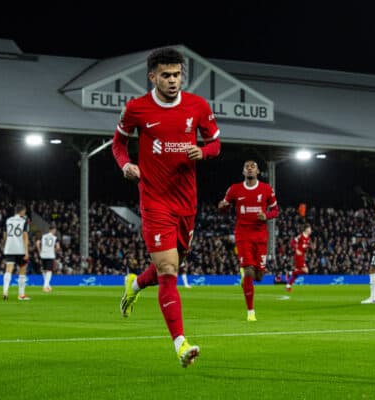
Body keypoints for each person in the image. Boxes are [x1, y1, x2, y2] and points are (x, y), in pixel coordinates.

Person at [112, 46, 221, 367]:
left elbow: (215, 141)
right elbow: (118, 142)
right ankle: (180, 343)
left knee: (176, 261)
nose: (173, 81)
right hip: (154, 200)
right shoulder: (137, 108)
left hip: (187, 201)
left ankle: (135, 284)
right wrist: (125, 165)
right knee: (168, 269)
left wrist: (205, 152)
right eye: (166, 75)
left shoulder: (198, 106)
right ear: (152, 76)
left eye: (177, 75)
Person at [218, 160, 279, 321]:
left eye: (253, 167)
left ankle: (246, 276)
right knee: (249, 271)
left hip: (260, 236)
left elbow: (275, 210)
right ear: (243, 172)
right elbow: (224, 209)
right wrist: (222, 206)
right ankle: (250, 312)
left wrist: (267, 216)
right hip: (243, 235)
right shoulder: (234, 189)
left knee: (259, 276)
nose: (250, 169)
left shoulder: (266, 189)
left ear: (258, 171)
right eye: (247, 167)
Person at [2, 204, 31, 300]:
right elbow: (25, 236)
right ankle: (21, 295)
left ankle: (5, 291)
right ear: (22, 211)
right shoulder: (24, 220)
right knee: (22, 269)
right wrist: (26, 251)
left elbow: (5, 235)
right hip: (20, 248)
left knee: (8, 269)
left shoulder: (8, 220)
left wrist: (6, 245)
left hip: (9, 247)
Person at [286, 224, 312, 292]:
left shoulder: (308, 238)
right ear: (306, 229)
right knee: (306, 271)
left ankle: (288, 286)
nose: (310, 230)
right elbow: (292, 243)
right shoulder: (301, 236)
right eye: (309, 229)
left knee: (297, 274)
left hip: (302, 256)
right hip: (298, 256)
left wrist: (308, 248)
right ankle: (290, 273)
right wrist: (296, 250)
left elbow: (305, 247)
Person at [36, 225, 60, 292]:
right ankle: (45, 286)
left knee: (44, 270)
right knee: (49, 271)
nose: (55, 232)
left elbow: (37, 243)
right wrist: (54, 251)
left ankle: (48, 285)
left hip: (43, 255)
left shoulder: (43, 236)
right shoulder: (55, 238)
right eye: (55, 230)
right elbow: (58, 247)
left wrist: (39, 251)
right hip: (50, 255)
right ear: (53, 230)